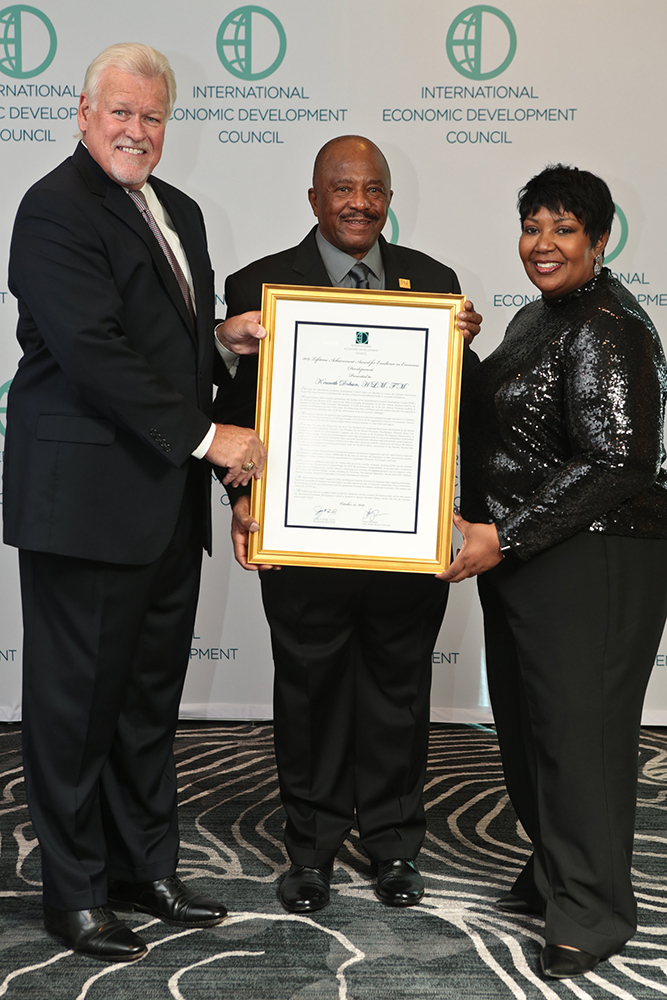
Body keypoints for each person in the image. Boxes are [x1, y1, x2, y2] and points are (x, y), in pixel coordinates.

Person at [5, 43, 265, 962]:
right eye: (119, 112)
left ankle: (142, 869)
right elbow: (95, 352)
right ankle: (74, 894)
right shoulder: (53, 208)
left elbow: (162, 344)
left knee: (146, 704)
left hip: (160, 506)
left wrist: (223, 343)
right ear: (83, 114)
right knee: (76, 710)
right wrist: (207, 438)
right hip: (85, 506)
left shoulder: (177, 210)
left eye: (151, 117)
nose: (135, 130)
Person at [213, 135, 482, 914]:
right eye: (342, 188)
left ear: (388, 199)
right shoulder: (258, 285)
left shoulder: (434, 284)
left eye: (373, 190)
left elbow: (453, 410)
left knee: (399, 691)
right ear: (313, 198)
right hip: (303, 537)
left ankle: (394, 845)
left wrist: (462, 348)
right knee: (309, 694)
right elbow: (229, 412)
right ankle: (311, 850)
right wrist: (239, 500)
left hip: (403, 536)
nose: (359, 203)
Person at [443, 164, 667, 979]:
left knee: (579, 738)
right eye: (532, 226)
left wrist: (505, 536)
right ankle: (554, 872)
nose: (542, 243)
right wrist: (451, 349)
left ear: (599, 241)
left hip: (593, 558)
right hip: (531, 553)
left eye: (563, 229)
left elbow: (617, 461)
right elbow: (508, 425)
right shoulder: (538, 315)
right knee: (530, 732)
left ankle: (593, 909)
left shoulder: (608, 325)